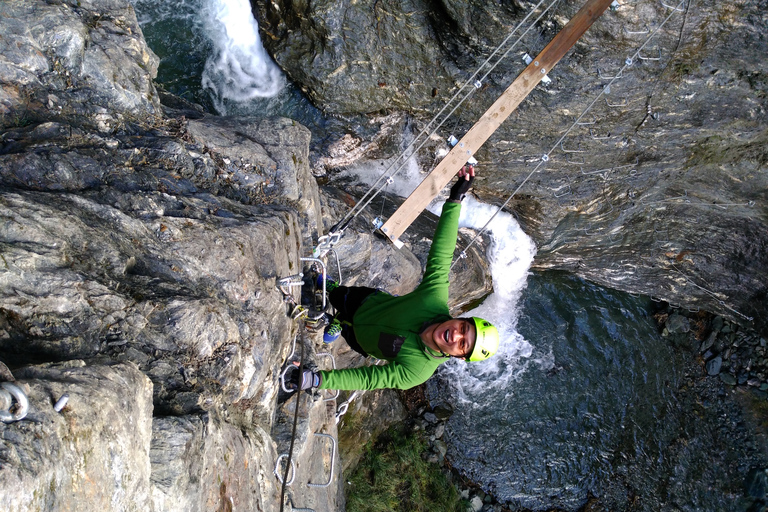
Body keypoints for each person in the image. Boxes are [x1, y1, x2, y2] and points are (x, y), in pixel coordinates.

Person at [290, 165, 499, 391]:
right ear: (461, 320)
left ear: (459, 357)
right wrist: (455, 199)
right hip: (366, 302)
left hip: (362, 341)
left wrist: (318, 380)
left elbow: (370, 379)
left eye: (462, 344)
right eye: (463, 328)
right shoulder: (434, 300)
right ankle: (330, 288)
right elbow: (442, 254)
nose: (455, 335)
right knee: (341, 295)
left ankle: (337, 322)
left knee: (346, 332)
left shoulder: (417, 371)